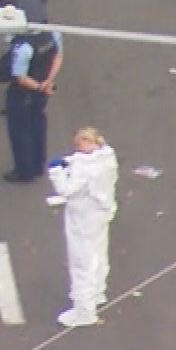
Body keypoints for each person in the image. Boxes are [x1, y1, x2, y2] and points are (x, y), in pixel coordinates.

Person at [48, 127, 118, 328]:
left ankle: (84, 312)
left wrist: (56, 172)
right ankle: (97, 293)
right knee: (98, 255)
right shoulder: (106, 160)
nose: (77, 150)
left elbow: (66, 190)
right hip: (100, 216)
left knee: (81, 264)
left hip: (83, 220)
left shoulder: (85, 168)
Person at [0, 0, 62, 182]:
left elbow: (20, 77)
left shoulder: (23, 47)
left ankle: (23, 171)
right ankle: (37, 164)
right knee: (38, 126)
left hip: (24, 94)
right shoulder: (52, 34)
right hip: (42, 89)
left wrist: (38, 87)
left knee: (20, 131)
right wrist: (48, 82)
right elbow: (57, 57)